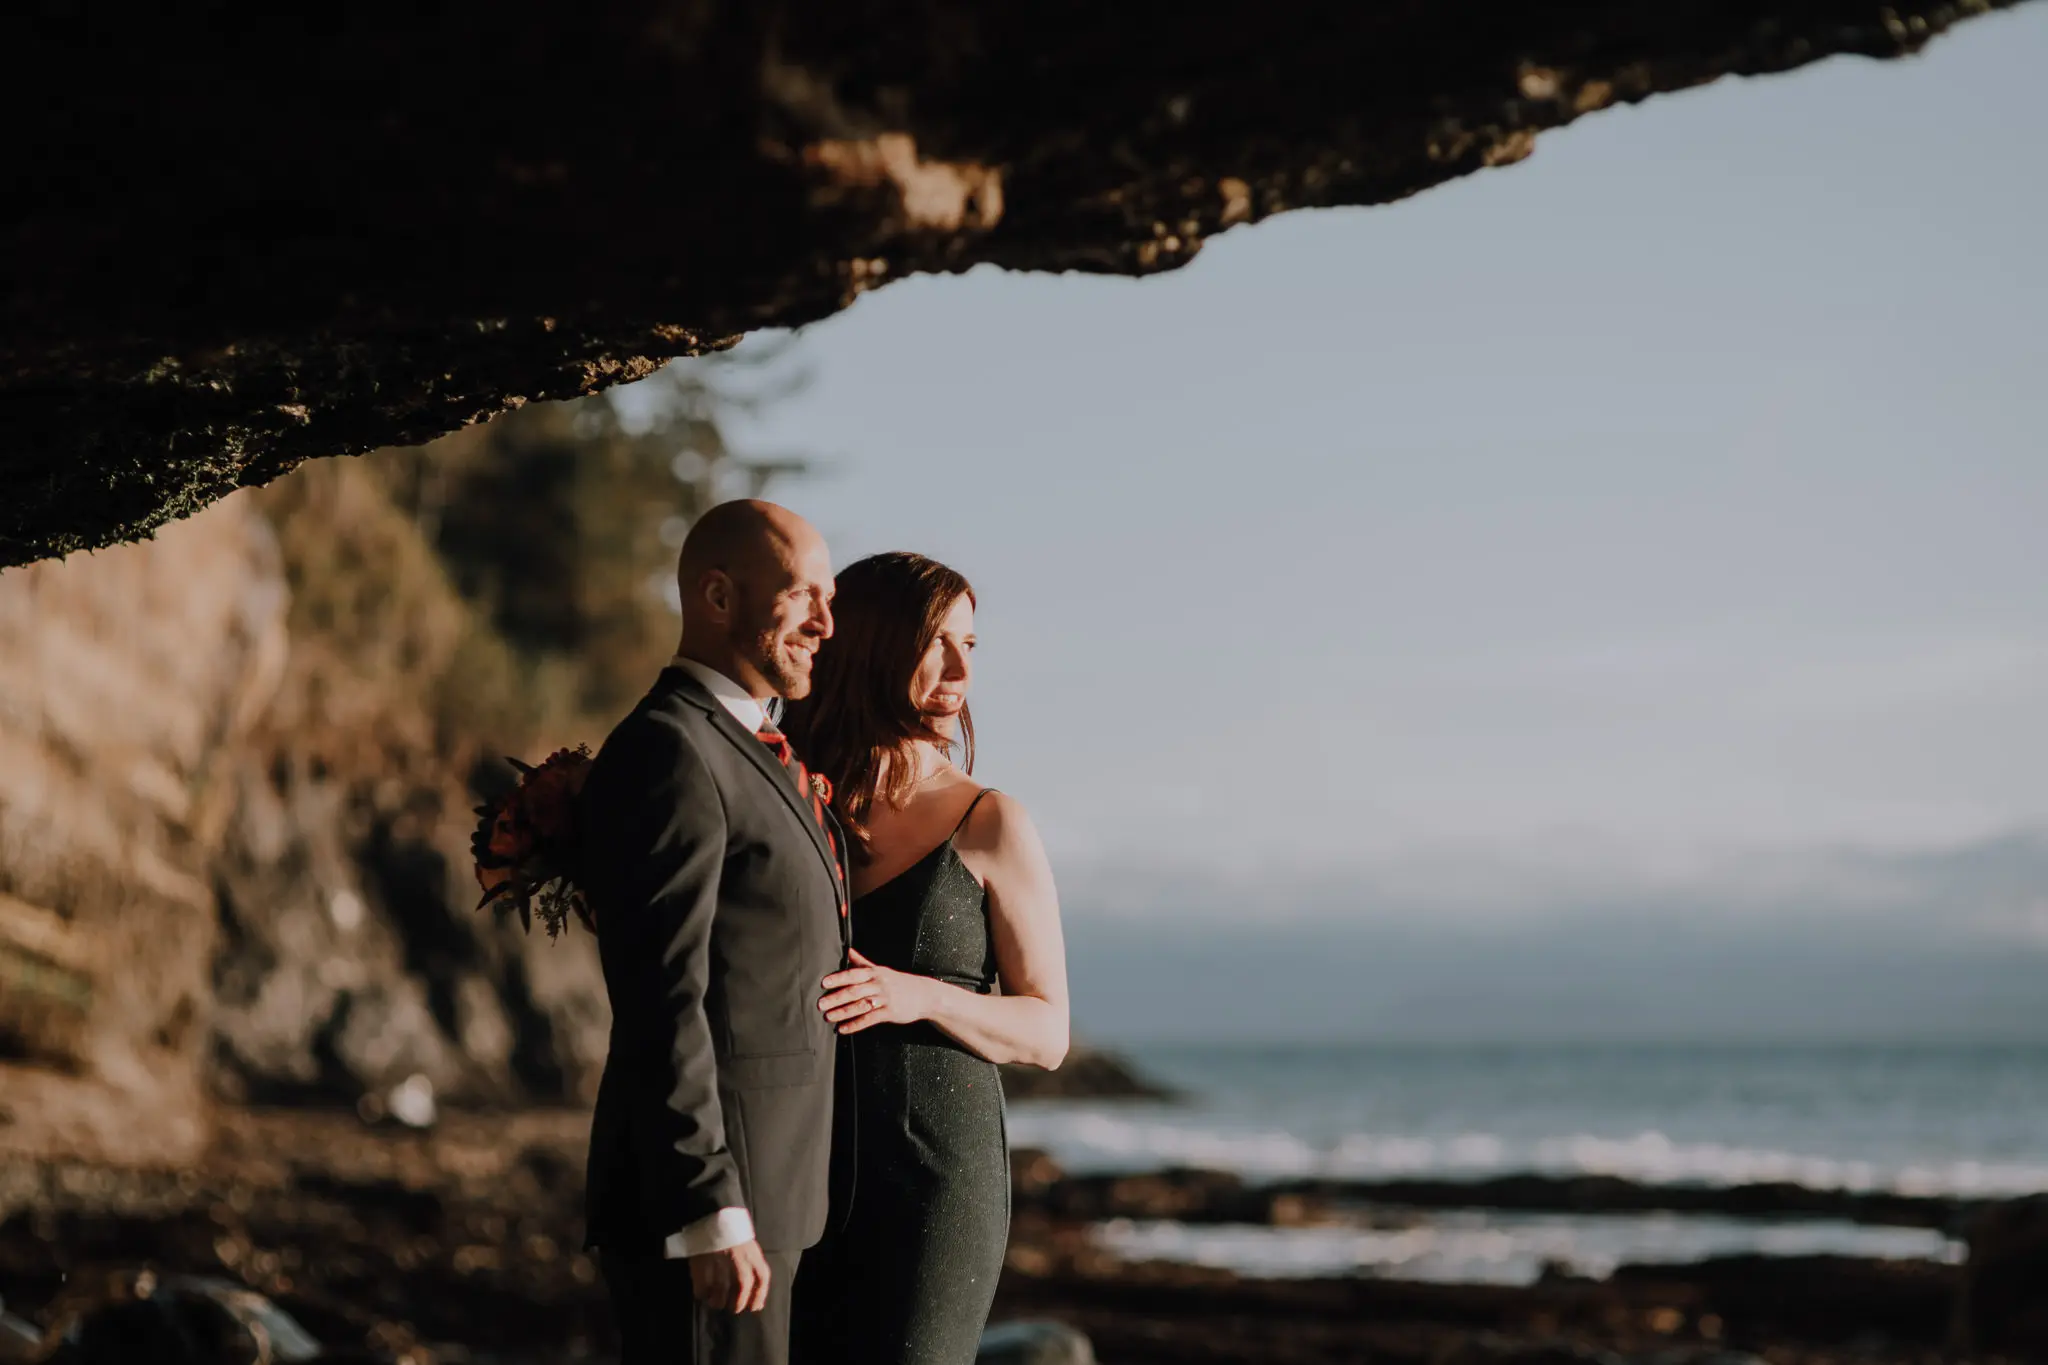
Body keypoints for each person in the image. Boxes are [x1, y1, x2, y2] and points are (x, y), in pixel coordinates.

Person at [576, 500, 851, 1365]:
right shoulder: (671, 750)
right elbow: (665, 996)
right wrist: (709, 1208)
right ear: (719, 596)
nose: (826, 622)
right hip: (710, 1213)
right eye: (803, 593)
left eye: (830, 597)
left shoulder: (748, 746)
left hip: (774, 1195)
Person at [782, 552, 1069, 1365]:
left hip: (936, 1184)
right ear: (870, 645)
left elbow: (1047, 1030)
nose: (958, 669)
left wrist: (921, 994)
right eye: (935, 641)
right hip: (795, 1166)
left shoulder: (990, 822)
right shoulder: (790, 796)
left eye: (970, 645)